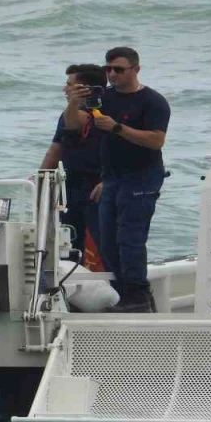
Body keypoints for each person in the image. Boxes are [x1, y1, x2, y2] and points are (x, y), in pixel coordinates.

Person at [64, 46, 171, 312]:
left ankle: (137, 294)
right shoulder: (103, 98)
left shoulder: (152, 101)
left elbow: (156, 140)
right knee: (108, 240)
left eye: (119, 70)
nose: (112, 74)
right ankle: (126, 293)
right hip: (111, 177)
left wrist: (117, 128)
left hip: (142, 177)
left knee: (130, 238)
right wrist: (73, 103)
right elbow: (74, 125)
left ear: (136, 69)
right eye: (108, 69)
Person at [41, 63, 106, 268]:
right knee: (68, 239)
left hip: (98, 185)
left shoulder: (107, 110)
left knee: (102, 241)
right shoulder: (68, 113)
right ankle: (69, 284)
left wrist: (109, 180)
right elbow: (55, 149)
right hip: (70, 185)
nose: (65, 89)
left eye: (70, 84)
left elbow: (77, 122)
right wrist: (41, 180)